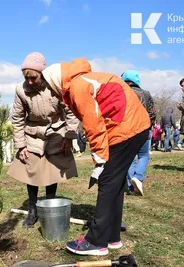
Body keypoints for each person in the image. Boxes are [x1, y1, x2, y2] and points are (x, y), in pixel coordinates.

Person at [42, 58, 150, 256]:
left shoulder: (77, 86)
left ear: (56, 80)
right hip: (135, 126)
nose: (50, 91)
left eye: (49, 86)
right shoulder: (81, 81)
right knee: (115, 183)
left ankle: (96, 241)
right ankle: (112, 236)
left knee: (107, 183)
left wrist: (99, 160)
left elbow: (94, 124)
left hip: (124, 128)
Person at [7, 52, 79, 228]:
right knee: (31, 172)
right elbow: (17, 118)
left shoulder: (55, 86)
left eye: (34, 77)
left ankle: (49, 205)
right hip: (32, 134)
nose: (30, 82)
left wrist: (69, 136)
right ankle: (32, 211)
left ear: (42, 74)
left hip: (56, 132)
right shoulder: (20, 90)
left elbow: (70, 111)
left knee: (51, 172)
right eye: (27, 78)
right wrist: (20, 144)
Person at [121, 69, 156, 196]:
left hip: (127, 131)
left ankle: (131, 187)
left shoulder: (121, 92)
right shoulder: (146, 94)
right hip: (144, 130)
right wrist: (150, 126)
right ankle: (138, 177)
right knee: (143, 155)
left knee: (129, 157)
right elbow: (152, 113)